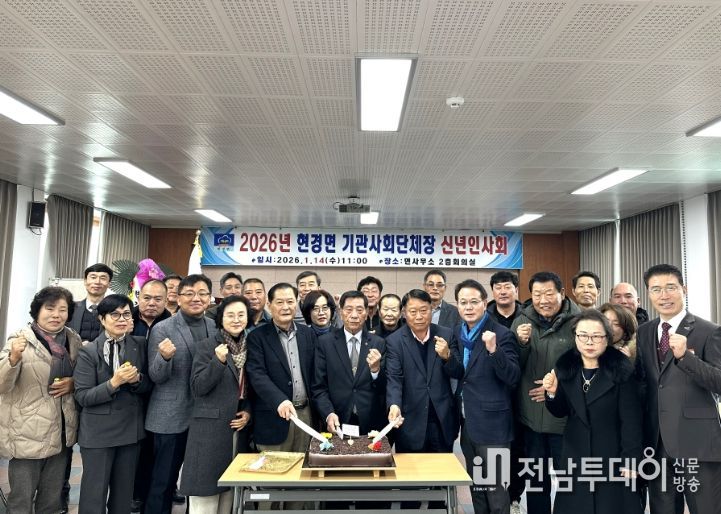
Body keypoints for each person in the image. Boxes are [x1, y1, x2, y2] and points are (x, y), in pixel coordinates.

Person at [636, 264, 721, 514]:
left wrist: (686, 358)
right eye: (656, 289)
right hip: (657, 445)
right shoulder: (644, 332)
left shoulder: (709, 331)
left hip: (698, 445)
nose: (664, 295)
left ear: (684, 289)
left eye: (671, 287)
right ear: (649, 294)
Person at [542, 309, 644, 514]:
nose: (589, 342)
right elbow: (561, 411)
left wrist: (631, 460)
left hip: (612, 455)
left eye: (596, 336)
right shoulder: (566, 368)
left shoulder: (621, 370)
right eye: (583, 335)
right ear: (575, 337)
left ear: (607, 338)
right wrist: (552, 393)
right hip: (576, 454)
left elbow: (631, 421)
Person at [0, 286, 81, 514]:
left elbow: (83, 376)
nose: (56, 315)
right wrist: (13, 359)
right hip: (27, 433)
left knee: (51, 501)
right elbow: (2, 385)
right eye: (50, 308)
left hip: (61, 432)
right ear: (37, 311)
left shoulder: (73, 339)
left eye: (62, 309)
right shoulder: (20, 339)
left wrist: (73, 383)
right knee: (21, 501)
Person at [145, 274, 217, 514]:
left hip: (203, 416)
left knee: (197, 480)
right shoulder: (162, 328)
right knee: (163, 480)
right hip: (170, 416)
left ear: (209, 298)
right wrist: (164, 358)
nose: (196, 298)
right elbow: (155, 375)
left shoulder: (213, 326)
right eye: (189, 293)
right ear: (178, 297)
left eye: (202, 294)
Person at [511, 271, 581, 514]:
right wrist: (520, 344)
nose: (543, 300)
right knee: (536, 479)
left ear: (562, 293)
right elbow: (512, 367)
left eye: (549, 293)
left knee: (569, 480)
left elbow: (588, 364)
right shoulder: (522, 321)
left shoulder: (579, 322)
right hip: (531, 417)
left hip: (565, 419)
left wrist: (557, 389)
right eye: (537, 294)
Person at [74, 294, 151, 514]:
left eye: (126, 314)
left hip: (130, 430)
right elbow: (83, 396)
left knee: (123, 495)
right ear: (102, 319)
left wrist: (137, 380)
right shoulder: (88, 351)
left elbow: (149, 386)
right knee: (94, 494)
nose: (122, 319)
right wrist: (114, 383)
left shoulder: (140, 345)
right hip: (97, 433)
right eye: (115, 315)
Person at [246, 282, 317, 510]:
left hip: (305, 415)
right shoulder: (257, 337)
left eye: (290, 301)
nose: (286, 307)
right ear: (269, 304)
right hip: (274, 416)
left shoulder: (308, 334)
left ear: (297, 303)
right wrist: (279, 400)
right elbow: (257, 375)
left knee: (301, 478)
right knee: (272, 481)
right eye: (280, 302)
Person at [180, 295, 254, 513]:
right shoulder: (206, 346)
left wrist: (248, 412)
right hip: (209, 432)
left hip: (236, 431)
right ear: (221, 319)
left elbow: (251, 388)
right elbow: (198, 387)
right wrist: (218, 362)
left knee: (228, 498)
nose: (236, 320)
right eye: (230, 315)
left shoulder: (250, 347)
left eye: (241, 315)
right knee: (205, 499)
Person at [454, 279, 520, 514]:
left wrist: (494, 350)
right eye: (463, 302)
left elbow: (513, 376)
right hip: (468, 424)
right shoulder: (459, 333)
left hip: (493, 427)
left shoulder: (501, 334)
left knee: (496, 491)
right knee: (478, 488)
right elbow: (463, 375)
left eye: (474, 302)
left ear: (484, 303)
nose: (468, 307)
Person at [386, 289, 463, 452]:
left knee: (443, 466)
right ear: (404, 313)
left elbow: (458, 372)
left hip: (442, 419)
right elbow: (394, 378)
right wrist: (394, 405)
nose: (419, 316)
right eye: (413, 312)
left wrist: (447, 356)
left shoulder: (446, 334)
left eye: (423, 310)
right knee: (410, 468)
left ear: (431, 309)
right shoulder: (394, 341)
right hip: (410, 421)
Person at [312, 290, 386, 435]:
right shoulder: (325, 343)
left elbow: (384, 387)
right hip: (337, 419)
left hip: (371, 422)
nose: (354, 315)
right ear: (340, 312)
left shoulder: (378, 343)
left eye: (359, 310)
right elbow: (318, 387)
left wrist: (376, 370)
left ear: (366, 313)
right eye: (349, 309)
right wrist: (328, 413)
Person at [130, 280, 170, 513]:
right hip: (130, 395)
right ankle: (135, 494)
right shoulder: (126, 318)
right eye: (147, 298)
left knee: (157, 451)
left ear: (166, 300)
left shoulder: (172, 323)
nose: (152, 303)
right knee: (134, 451)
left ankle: (153, 497)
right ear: (138, 297)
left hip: (161, 396)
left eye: (158, 299)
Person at [68, 263, 114, 341]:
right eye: (93, 277)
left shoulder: (114, 311)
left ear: (109, 283)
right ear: (85, 281)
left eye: (103, 278)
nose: (97, 282)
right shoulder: (71, 308)